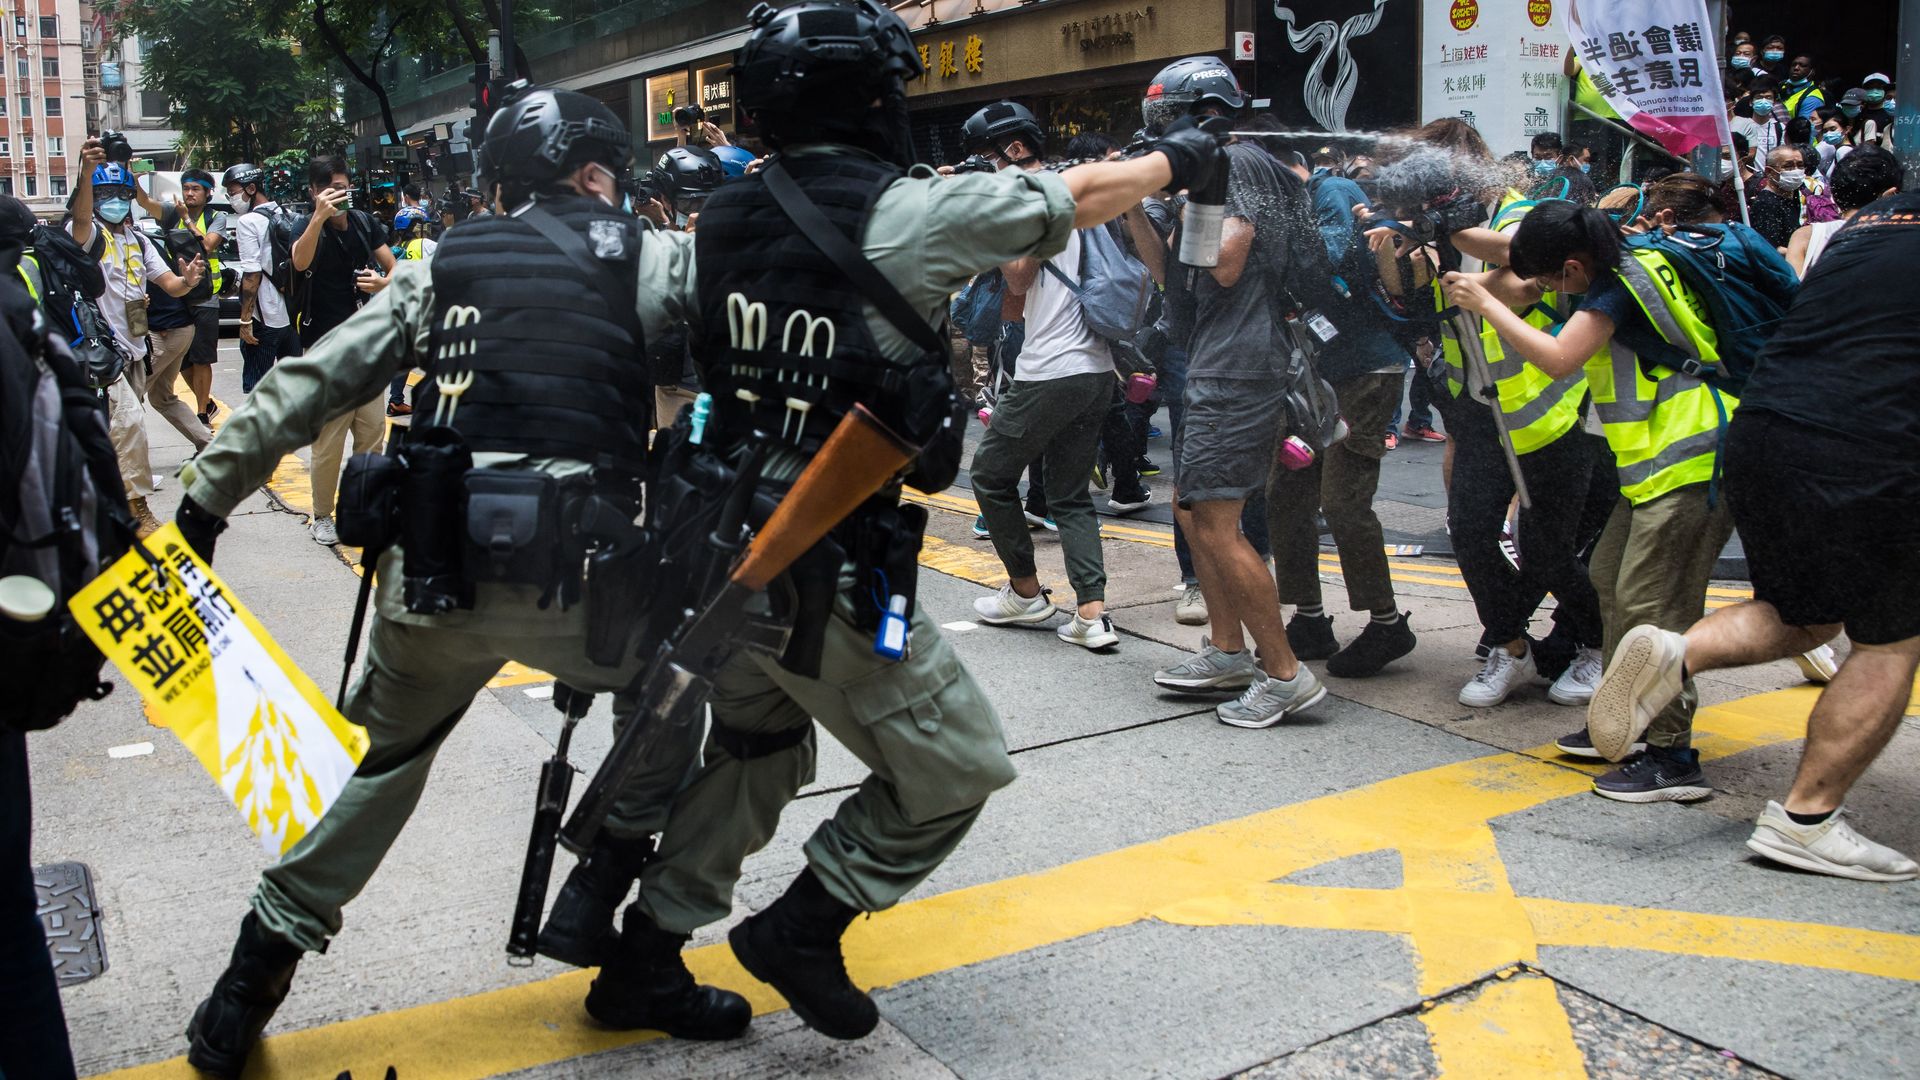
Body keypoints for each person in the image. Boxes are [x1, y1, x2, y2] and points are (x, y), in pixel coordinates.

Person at [603, 1, 1227, 1042]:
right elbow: (1065, 198)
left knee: (757, 756)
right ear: (872, 96)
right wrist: (1176, 156)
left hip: (712, 548)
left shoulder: (715, 220)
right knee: (958, 765)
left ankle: (643, 959)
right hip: (820, 555)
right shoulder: (906, 213)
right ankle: (804, 925)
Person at [174, 88, 713, 1075]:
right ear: (594, 176)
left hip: (433, 577)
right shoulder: (648, 257)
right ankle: (610, 898)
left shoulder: (440, 268)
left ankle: (248, 982)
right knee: (678, 704)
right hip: (583, 586)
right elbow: (735, 348)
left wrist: (206, 505)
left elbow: (309, 382)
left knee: (374, 772)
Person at [1588, 179, 1915, 882]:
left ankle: (1676, 653)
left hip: (1761, 430)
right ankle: (1806, 818)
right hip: (1863, 445)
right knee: (1890, 636)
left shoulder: (1865, 233)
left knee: (1801, 613)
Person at [1440, 189, 1793, 802]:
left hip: (1690, 458)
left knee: (1657, 610)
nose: (1544, 288)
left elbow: (1557, 357)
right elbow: (1508, 265)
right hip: (1651, 465)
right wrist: (1463, 246)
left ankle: (1672, 757)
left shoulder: (1615, 289)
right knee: (1608, 584)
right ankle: (1626, 722)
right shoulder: (1615, 254)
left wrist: (1481, 301)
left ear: (1572, 268)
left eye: (1553, 281)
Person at [1137, 58, 1332, 723]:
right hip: (1215, 358)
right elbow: (1177, 277)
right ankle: (1227, 651)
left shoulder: (1238, 164)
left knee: (1218, 522)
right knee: (1195, 511)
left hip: (1237, 364)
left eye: (1170, 120)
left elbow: (1225, 263)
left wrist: (1184, 203)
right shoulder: (1223, 167)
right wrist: (1141, 213)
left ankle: (1283, 675)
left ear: (1204, 114)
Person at [965, 100, 1124, 651]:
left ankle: (1026, 593)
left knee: (988, 472)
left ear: (1013, 148)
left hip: (1050, 370)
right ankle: (1091, 615)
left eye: (989, 157)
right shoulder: (1077, 189)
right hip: (1096, 367)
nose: (987, 169)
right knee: (1070, 494)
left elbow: (1017, 278)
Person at [1267, 141, 1421, 682]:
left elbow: (1324, 259)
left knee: (1342, 500)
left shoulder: (1329, 190)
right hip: (1316, 371)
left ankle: (1386, 622)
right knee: (1286, 490)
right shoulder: (1288, 204)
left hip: (1366, 370)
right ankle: (1309, 616)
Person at [69, 150, 206, 538]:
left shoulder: (138, 240)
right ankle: (138, 511)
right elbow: (80, 217)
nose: (113, 201)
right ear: (94, 199)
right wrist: (86, 172)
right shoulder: (88, 235)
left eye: (120, 193)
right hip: (101, 352)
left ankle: (100, 506)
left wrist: (191, 279)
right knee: (129, 425)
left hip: (134, 349)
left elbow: (171, 285)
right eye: (105, 194)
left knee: (117, 431)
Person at [287, 158, 396, 547]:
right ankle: (322, 516)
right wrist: (318, 217)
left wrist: (381, 283)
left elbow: (393, 268)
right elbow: (300, 261)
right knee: (329, 442)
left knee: (371, 437)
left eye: (345, 186)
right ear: (316, 191)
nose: (342, 193)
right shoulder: (305, 225)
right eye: (333, 187)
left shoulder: (365, 223)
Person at [223, 162, 301, 393]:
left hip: (264, 318)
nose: (231, 198)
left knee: (259, 391)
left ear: (251, 188)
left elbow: (252, 274)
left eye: (233, 192)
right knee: (293, 387)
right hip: (291, 314)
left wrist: (245, 320)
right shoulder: (289, 215)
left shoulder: (248, 222)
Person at [161, 167, 228, 426]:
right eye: (186, 188)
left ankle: (201, 412)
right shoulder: (170, 215)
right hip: (177, 296)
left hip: (205, 297)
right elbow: (145, 202)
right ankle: (207, 402)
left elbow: (207, 244)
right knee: (180, 359)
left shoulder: (216, 217)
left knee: (202, 357)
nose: (189, 193)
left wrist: (187, 219)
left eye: (195, 188)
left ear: (208, 192)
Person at [1787, 146, 1901, 276]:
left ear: (1835, 193)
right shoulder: (1906, 241)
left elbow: (1791, 289)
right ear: (1890, 195)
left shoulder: (1805, 237)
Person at [1750, 145, 1807, 250]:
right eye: (1788, 166)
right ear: (1769, 171)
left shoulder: (1794, 194)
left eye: (1800, 165)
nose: (1796, 171)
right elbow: (1770, 250)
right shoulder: (1765, 204)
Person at [1528, 132, 1596, 205]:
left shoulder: (1571, 182)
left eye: (1548, 157)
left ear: (1560, 157)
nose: (1543, 162)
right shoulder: (1529, 184)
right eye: (1537, 158)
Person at [1779, 54, 1826, 119]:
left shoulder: (1812, 98)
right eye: (1794, 65)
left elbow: (1803, 126)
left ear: (1812, 71)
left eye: (1802, 66)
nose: (1796, 68)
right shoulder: (1781, 85)